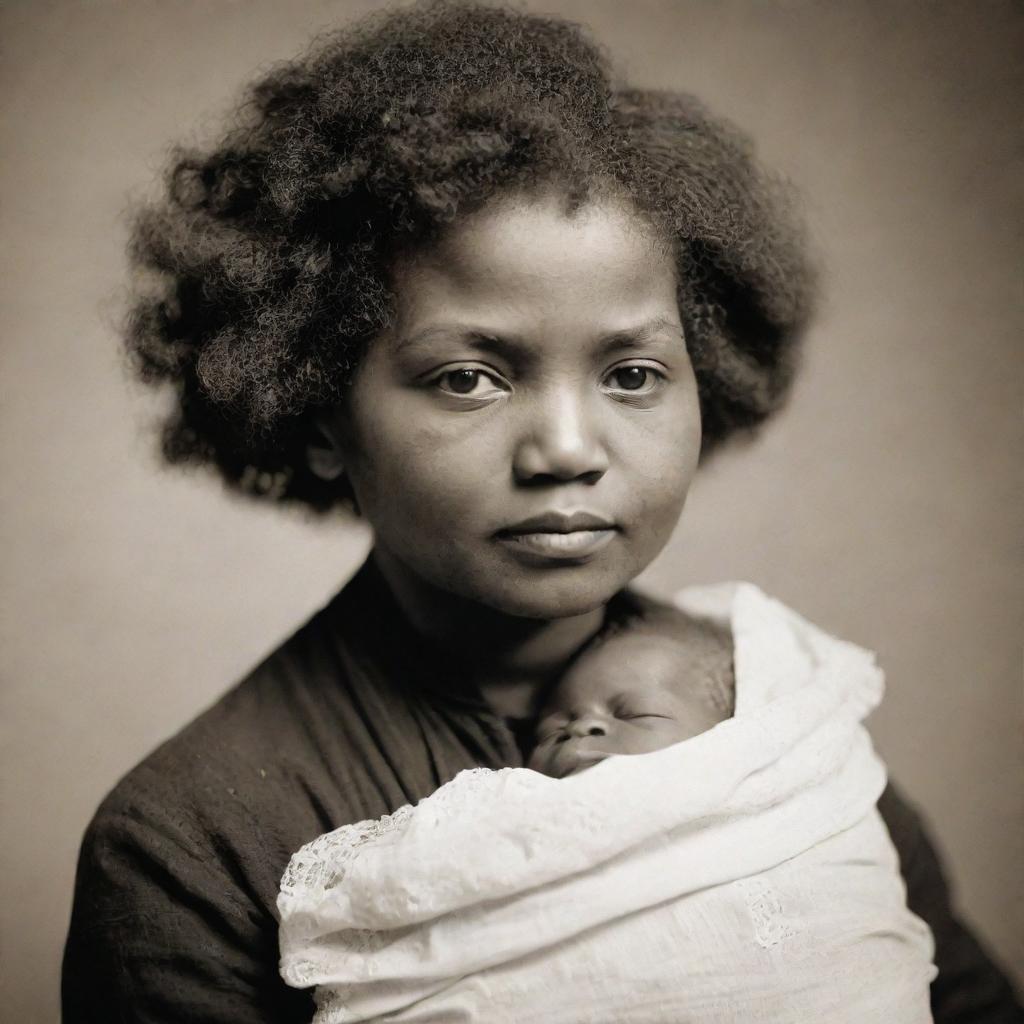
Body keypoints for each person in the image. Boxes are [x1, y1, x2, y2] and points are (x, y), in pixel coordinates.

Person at [62, 2, 1022, 1022]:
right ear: (314, 409)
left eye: (634, 371)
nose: (567, 447)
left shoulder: (777, 717)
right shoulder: (194, 842)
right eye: (468, 378)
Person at [276, 586, 936, 1022]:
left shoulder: (794, 806)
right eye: (555, 723)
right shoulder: (517, 816)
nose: (579, 727)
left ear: (733, 742)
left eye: (633, 713)